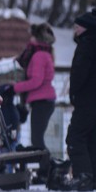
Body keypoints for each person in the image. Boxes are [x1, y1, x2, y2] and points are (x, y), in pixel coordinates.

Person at [62, 7, 96, 191]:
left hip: (88, 97)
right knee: (95, 136)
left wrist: (74, 93)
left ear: (86, 28)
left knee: (75, 136)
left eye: (78, 27)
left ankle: (84, 176)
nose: (75, 30)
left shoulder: (86, 45)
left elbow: (79, 73)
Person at [13, 23, 57, 182]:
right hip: (43, 100)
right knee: (37, 138)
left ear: (36, 37)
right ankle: (47, 170)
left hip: (42, 101)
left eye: (31, 35)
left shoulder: (38, 56)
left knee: (37, 139)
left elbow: (36, 81)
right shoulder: (43, 53)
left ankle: (48, 171)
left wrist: (15, 88)